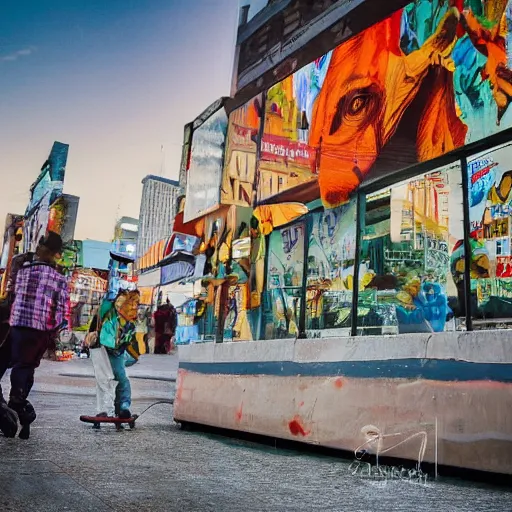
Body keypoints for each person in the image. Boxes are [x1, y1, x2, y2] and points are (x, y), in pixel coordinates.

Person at [0, 232, 68, 439]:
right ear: (56, 254)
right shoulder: (58, 278)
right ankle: (18, 404)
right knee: (24, 368)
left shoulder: (23, 271)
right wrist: (52, 330)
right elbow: (60, 313)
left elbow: (13, 294)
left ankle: (15, 408)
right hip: (37, 331)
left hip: (17, 326)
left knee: (13, 364)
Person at [88, 290, 140, 419]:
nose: (135, 306)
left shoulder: (127, 320)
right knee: (113, 379)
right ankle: (113, 408)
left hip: (113, 350)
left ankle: (118, 408)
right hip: (104, 349)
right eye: (133, 302)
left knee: (116, 379)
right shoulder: (112, 315)